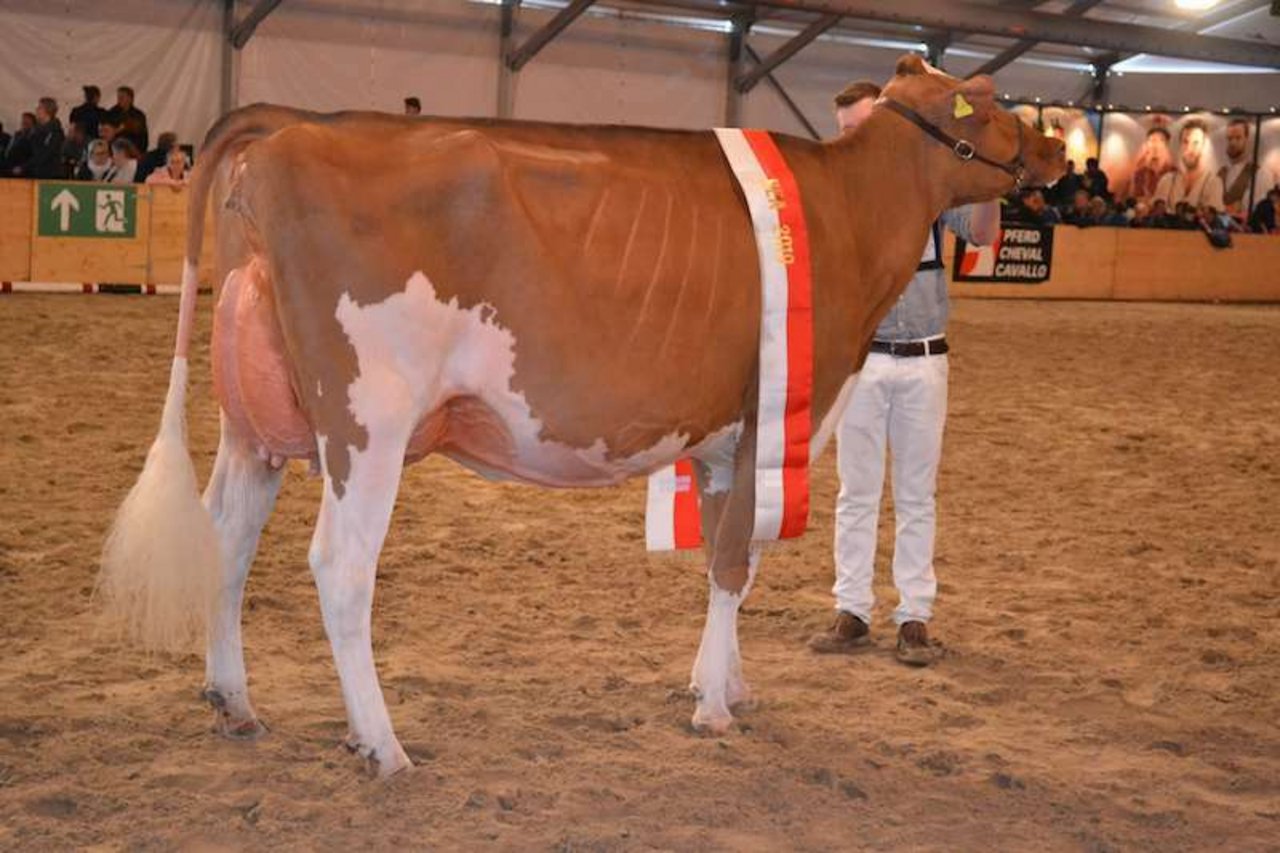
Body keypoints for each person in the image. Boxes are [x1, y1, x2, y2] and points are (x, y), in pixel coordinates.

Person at [809, 79, 999, 666]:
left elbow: (983, 233)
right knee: (857, 493)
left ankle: (914, 615)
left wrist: (993, 176)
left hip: (925, 356)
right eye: (844, 132)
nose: (851, 141)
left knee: (917, 494)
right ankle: (852, 610)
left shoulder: (932, 186)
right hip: (861, 362)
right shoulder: (834, 196)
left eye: (860, 128)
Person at [1153, 119, 1224, 211]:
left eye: (1195, 143)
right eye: (1185, 142)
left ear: (1203, 146)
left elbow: (1213, 216)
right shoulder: (1167, 180)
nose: (1189, 148)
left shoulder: (1213, 183)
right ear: (1180, 145)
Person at [11, 98, 66, 179]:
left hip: (50, 175)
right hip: (35, 173)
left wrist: (24, 167)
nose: (36, 110)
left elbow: (44, 155)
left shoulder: (55, 132)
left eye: (40, 108)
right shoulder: (35, 130)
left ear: (47, 111)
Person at [1217, 119, 1258, 220]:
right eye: (1230, 138)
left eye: (1238, 138)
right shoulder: (1221, 172)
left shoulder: (1257, 172)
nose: (1233, 143)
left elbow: (1250, 207)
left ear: (1247, 139)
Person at [1130, 126, 1176, 201]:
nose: (1155, 145)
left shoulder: (1174, 172)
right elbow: (1135, 198)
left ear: (1166, 145)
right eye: (1151, 140)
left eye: (1160, 140)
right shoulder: (1140, 173)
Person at [105, 86, 148, 153]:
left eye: (122, 97)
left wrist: (141, 151)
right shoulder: (112, 113)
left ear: (130, 99)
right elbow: (107, 131)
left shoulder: (138, 114)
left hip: (134, 149)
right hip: (115, 149)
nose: (119, 100)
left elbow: (143, 134)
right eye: (118, 97)